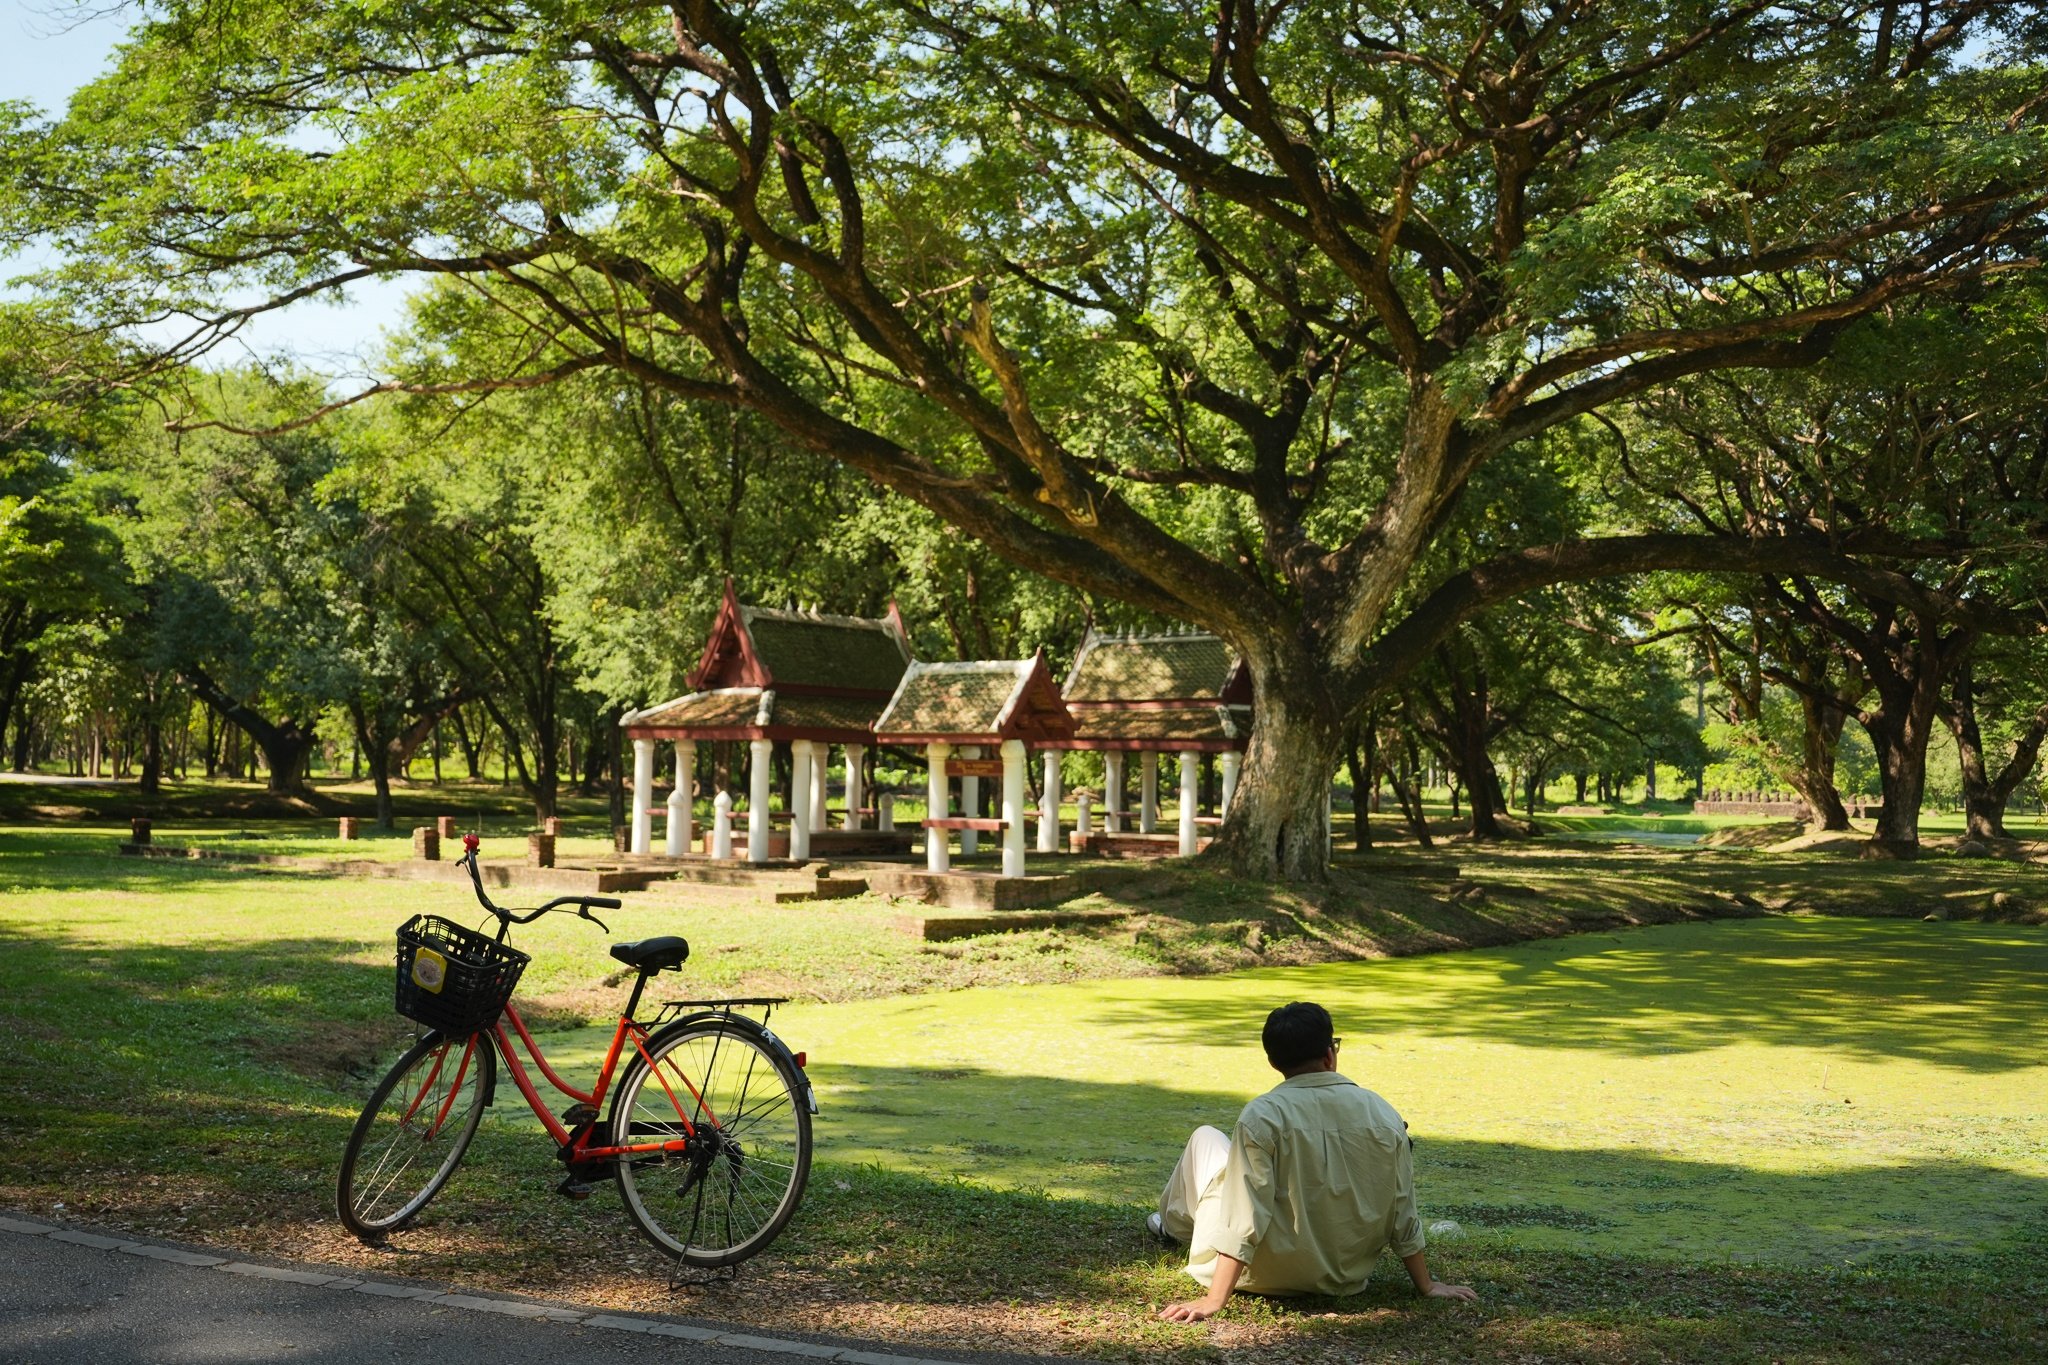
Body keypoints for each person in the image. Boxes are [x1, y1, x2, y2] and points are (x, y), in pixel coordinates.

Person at [1151, 1001, 1477, 1322]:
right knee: (1216, 1150)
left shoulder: (1262, 1115)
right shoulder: (1383, 1113)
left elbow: (1244, 1215)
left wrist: (1214, 1299)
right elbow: (1402, 1206)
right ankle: (1171, 1223)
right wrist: (1427, 1284)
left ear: (1273, 1060)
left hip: (1262, 1274)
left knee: (1205, 1138)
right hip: (1343, 1277)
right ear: (1329, 1054)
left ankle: (1171, 1227)